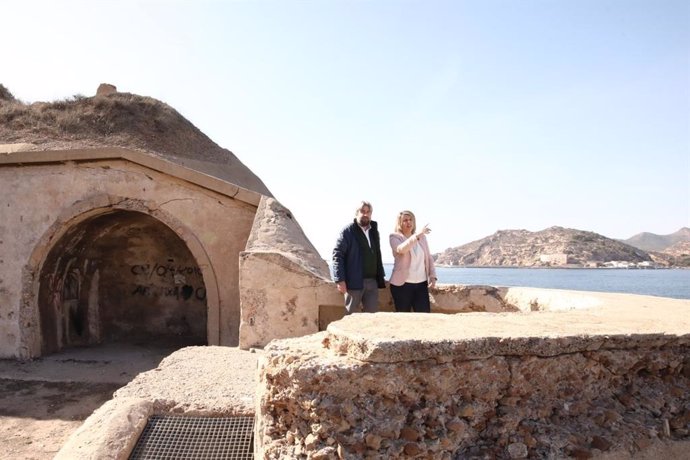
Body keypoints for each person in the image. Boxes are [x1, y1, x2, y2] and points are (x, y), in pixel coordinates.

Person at [332, 201, 386, 314]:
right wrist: (340, 280)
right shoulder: (348, 231)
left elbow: (377, 254)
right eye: (362, 211)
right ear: (357, 213)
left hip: (372, 282)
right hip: (354, 282)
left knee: (372, 317)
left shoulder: (373, 231)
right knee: (350, 316)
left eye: (368, 212)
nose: (365, 214)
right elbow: (338, 255)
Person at [388, 210, 437, 312]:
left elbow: (428, 258)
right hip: (402, 286)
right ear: (399, 223)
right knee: (403, 318)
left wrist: (432, 276)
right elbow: (401, 249)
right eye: (405, 220)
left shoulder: (422, 238)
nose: (408, 222)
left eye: (411, 220)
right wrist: (417, 236)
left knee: (424, 317)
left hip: (421, 285)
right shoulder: (394, 237)